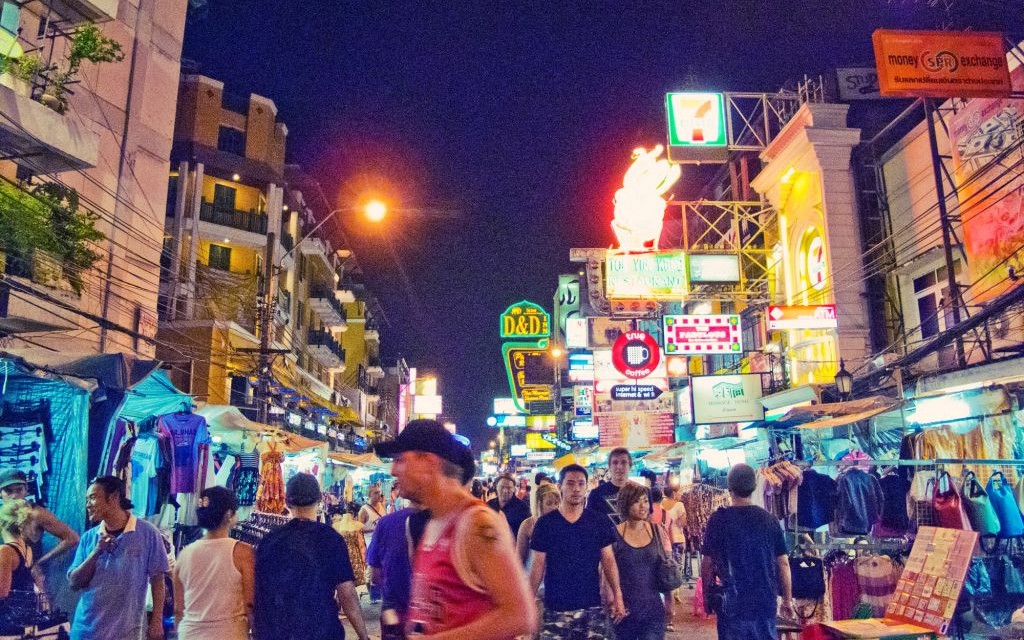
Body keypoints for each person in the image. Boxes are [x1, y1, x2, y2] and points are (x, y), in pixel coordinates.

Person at [378, 419, 536, 639]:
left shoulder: (477, 524)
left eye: (400, 459)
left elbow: (520, 616)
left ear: (428, 462)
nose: (394, 470)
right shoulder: (432, 523)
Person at [253, 473, 369, 640]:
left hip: (278, 632)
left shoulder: (269, 541)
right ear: (319, 500)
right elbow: (347, 593)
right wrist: (363, 636)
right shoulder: (331, 539)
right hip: (321, 630)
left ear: (286, 502)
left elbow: (259, 594)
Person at [529, 464, 626, 639]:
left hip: (591, 609)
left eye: (581, 484)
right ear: (560, 487)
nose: (576, 489)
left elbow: (609, 561)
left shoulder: (598, 522)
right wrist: (528, 601)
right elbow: (537, 566)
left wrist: (617, 594)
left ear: (587, 487)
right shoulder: (545, 524)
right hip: (555, 609)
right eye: (571, 483)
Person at [68, 476, 169, 640]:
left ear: (114, 497)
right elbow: (74, 583)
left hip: (126, 631)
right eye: (87, 499)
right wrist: (96, 552)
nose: (88, 505)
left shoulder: (148, 533)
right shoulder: (89, 538)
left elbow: (158, 579)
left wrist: (157, 620)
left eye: (93, 498)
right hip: (86, 631)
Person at [702, 463, 794, 640]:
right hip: (764, 601)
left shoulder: (718, 520)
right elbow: (783, 563)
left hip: (731, 603)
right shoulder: (770, 520)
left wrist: (707, 596)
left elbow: (707, 563)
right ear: (754, 487)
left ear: (729, 488)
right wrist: (787, 600)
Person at [173, 486, 254, 639]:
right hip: (228, 632)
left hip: (191, 633)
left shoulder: (184, 555)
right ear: (229, 515)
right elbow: (250, 603)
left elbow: (179, 609)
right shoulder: (242, 552)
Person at [612, 482, 671, 640]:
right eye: (637, 501)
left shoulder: (657, 531)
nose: (643, 505)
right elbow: (607, 573)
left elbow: (666, 568)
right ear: (625, 504)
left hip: (653, 609)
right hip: (624, 610)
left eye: (645, 501)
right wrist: (612, 602)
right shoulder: (614, 534)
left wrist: (669, 601)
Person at [0, 470, 79, 588]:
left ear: (26, 490)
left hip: (27, 579)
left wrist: (40, 562)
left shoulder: (36, 514)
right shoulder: (2, 514)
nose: (14, 495)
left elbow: (72, 538)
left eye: (19, 489)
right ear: (1, 493)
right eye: (9, 491)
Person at [366, 499, 421, 638]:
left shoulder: (386, 523)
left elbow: (375, 575)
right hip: (430, 615)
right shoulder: (444, 523)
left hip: (394, 611)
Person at [0, 499, 38, 626]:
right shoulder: (27, 548)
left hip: (8, 621)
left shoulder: (5, 551)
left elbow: (2, 593)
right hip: (25, 616)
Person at [515, 482, 561, 566]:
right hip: (531, 572)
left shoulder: (561, 523)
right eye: (549, 503)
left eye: (556, 503)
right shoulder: (528, 524)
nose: (554, 507)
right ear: (539, 504)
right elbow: (519, 558)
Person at [586, 447, 633, 520]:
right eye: (615, 463)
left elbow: (648, 523)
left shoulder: (642, 493)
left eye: (623, 462)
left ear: (630, 466)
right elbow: (589, 522)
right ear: (609, 467)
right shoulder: (596, 494)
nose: (619, 467)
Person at [359, 484, 387, 602]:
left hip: (383, 542)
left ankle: (380, 594)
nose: (378, 495)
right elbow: (359, 528)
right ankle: (373, 596)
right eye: (375, 493)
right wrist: (374, 529)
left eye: (379, 492)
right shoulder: (364, 510)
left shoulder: (382, 506)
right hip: (370, 542)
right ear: (369, 495)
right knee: (371, 569)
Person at [488, 473, 532, 538]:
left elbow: (528, 533)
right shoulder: (489, 505)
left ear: (514, 489)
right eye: (502, 487)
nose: (505, 491)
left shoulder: (523, 508)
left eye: (509, 487)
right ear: (496, 487)